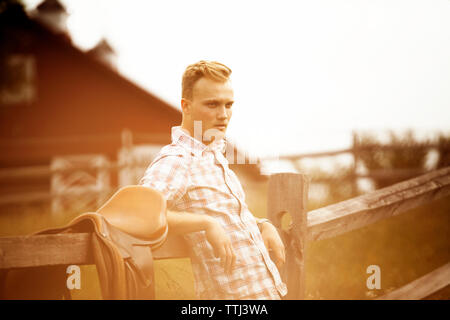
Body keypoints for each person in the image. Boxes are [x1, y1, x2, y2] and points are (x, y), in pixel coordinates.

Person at [139, 60, 287, 300]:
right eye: (212, 104)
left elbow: (224, 214)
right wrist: (205, 224)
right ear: (186, 106)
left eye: (229, 105)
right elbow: (144, 214)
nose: (224, 115)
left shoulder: (214, 154)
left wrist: (262, 225)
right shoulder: (176, 159)